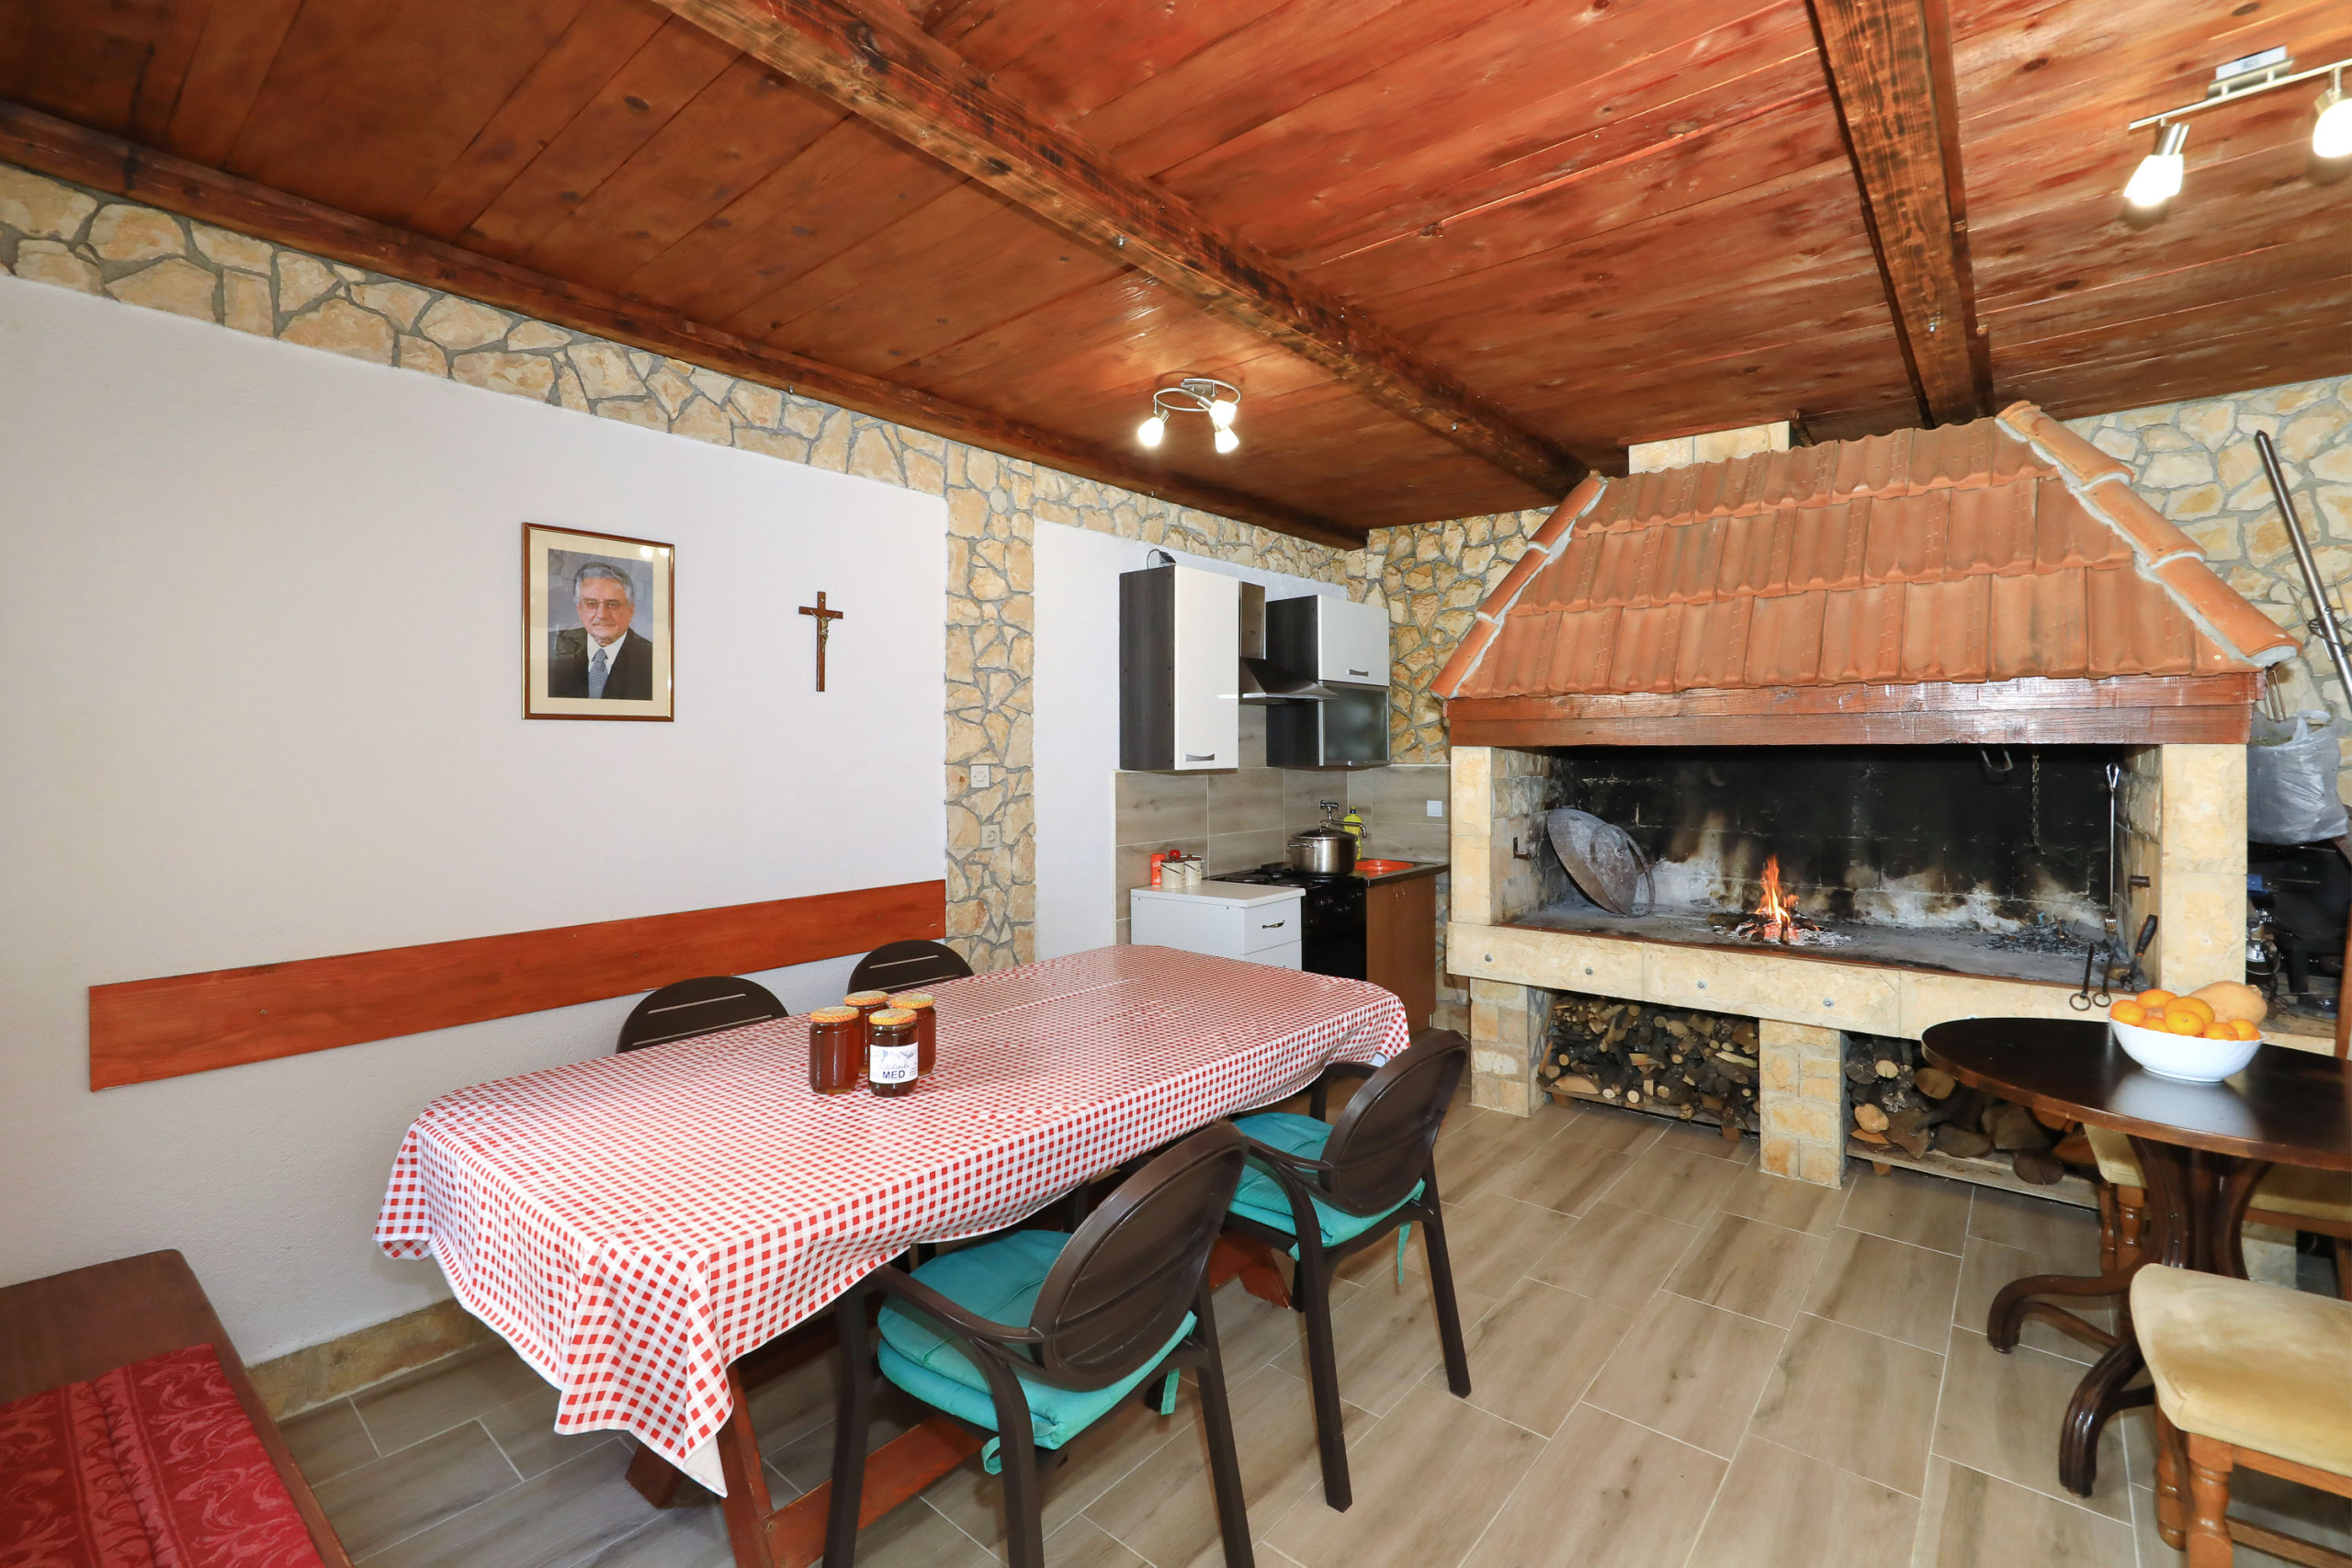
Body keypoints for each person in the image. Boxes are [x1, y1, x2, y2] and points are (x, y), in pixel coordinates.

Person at [548, 561, 653, 700]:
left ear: (630, 610)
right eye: (591, 604)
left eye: (612, 604)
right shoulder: (549, 651)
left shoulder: (654, 661)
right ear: (579, 610)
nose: (602, 615)